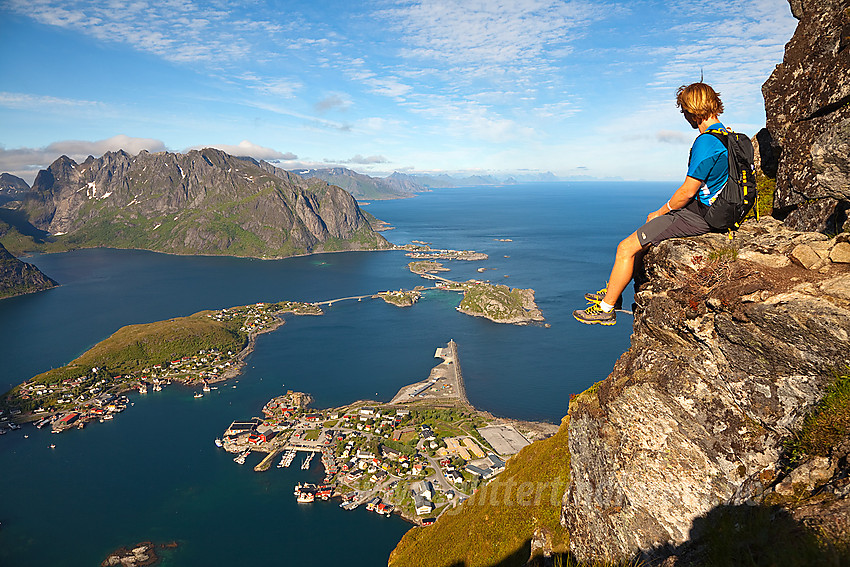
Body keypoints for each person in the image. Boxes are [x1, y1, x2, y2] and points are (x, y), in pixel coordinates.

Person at [574, 82, 730, 326]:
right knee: (643, 237)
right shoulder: (727, 135)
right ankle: (614, 295)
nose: (685, 116)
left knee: (625, 248)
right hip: (715, 210)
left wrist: (661, 211)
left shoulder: (706, 142)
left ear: (692, 109)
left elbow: (688, 191)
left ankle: (606, 309)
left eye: (685, 110)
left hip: (701, 215)